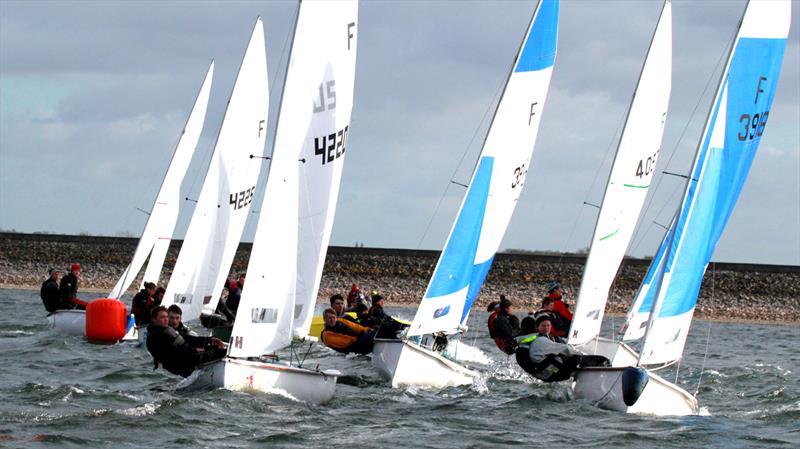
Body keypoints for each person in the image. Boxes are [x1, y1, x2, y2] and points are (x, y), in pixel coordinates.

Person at [515, 314, 608, 383]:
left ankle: (579, 377)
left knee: (570, 360)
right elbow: (565, 349)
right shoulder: (539, 341)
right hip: (554, 373)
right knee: (601, 360)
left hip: (546, 375)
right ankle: (606, 378)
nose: (546, 328)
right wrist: (583, 355)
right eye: (543, 325)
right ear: (536, 328)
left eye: (548, 325)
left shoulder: (524, 343)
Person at [146, 306, 226, 378]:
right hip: (182, 364)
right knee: (223, 352)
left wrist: (210, 340)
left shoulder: (165, 330)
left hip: (187, 358)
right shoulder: (157, 336)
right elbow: (175, 353)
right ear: (154, 319)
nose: (166, 319)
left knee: (215, 348)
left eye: (167, 317)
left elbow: (188, 339)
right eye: (162, 317)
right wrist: (196, 350)